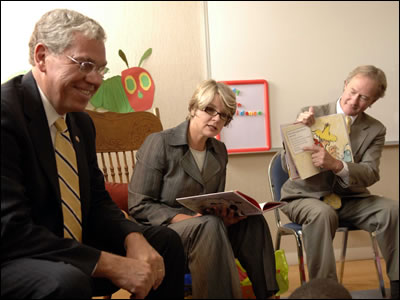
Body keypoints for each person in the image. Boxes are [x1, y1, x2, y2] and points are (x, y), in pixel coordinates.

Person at [1, 9, 185, 299]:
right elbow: (10, 231)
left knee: (163, 244)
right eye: (85, 64)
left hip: (67, 248)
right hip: (14, 255)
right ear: (41, 57)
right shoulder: (6, 114)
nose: (96, 80)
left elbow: (97, 201)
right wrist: (108, 264)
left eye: (101, 68)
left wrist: (132, 236)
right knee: (67, 281)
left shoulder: (80, 123)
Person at [128, 79, 279, 298]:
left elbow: (211, 203)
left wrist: (226, 215)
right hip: (163, 231)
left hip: (206, 227)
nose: (217, 118)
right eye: (210, 109)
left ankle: (268, 295)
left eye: (224, 115)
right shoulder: (159, 143)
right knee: (208, 225)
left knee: (253, 222)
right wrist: (186, 219)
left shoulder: (219, 150)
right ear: (193, 108)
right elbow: (139, 205)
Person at [280, 65, 399, 298]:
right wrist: (297, 133)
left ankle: (398, 284)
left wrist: (337, 165)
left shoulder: (375, 129)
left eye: (364, 97)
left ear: (373, 101)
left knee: (393, 210)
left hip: (350, 199)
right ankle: (325, 292)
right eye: (353, 91)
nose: (354, 101)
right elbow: (287, 168)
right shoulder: (310, 113)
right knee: (323, 214)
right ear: (345, 85)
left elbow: (370, 173)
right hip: (305, 197)